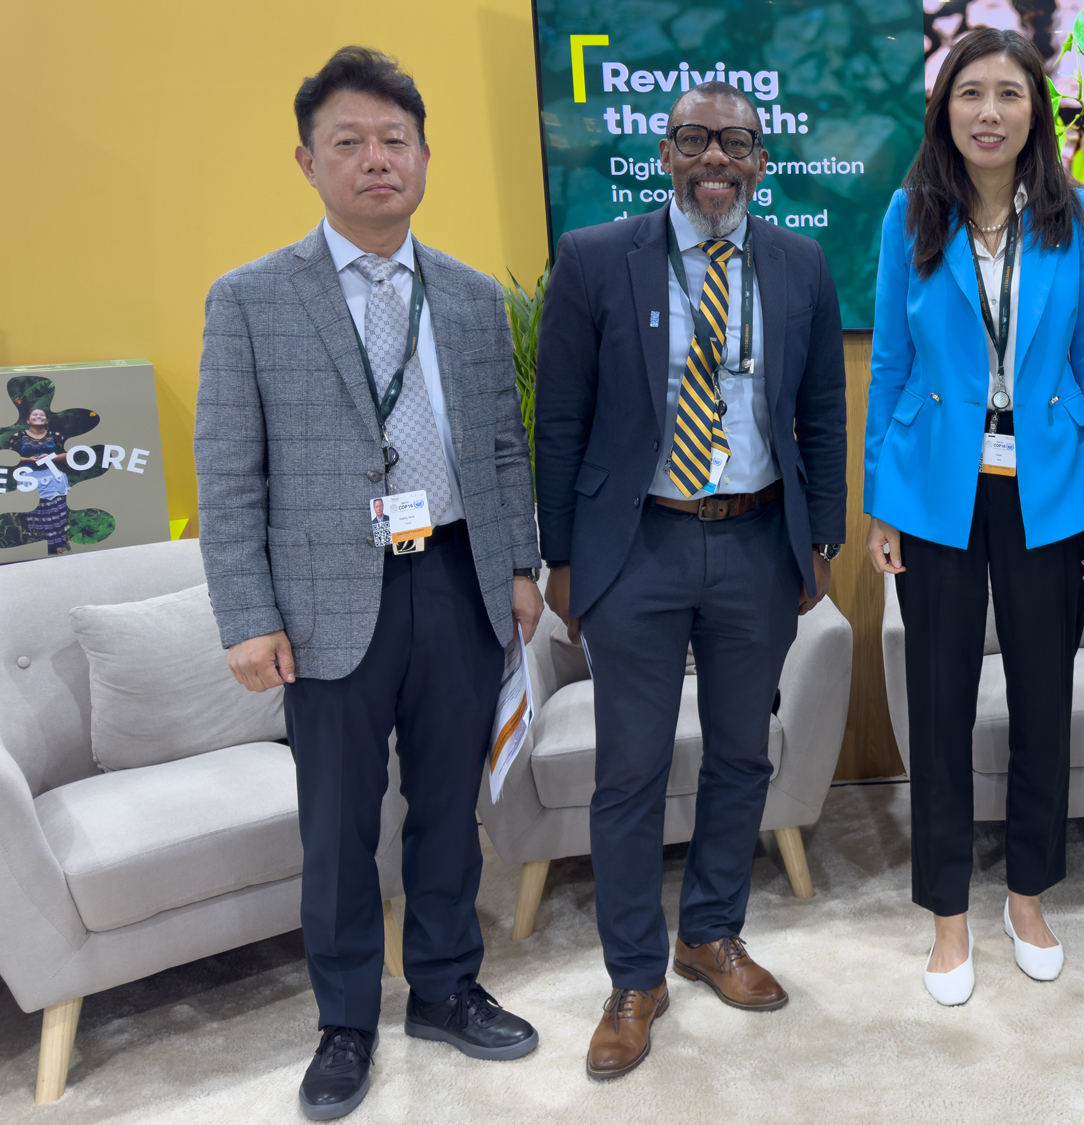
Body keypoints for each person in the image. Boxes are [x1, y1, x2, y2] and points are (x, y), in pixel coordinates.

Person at [194, 47, 545, 1121]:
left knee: (448, 804)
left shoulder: (475, 297)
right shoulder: (251, 299)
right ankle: (344, 1021)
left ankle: (443, 986)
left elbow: (497, 447)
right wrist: (246, 618)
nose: (375, 159)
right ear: (308, 161)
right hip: (323, 603)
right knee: (337, 823)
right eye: (348, 142)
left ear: (425, 157)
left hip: (454, 579)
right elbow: (226, 469)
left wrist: (520, 564)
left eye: (394, 140)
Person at [535, 80, 847, 1077]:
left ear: (761, 160)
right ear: (664, 152)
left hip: (757, 542)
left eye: (736, 143)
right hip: (636, 549)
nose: (716, 159)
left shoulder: (797, 263)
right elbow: (560, 417)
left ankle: (708, 932)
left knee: (741, 757)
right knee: (628, 768)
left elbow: (823, 409)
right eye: (695, 140)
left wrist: (820, 541)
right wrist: (561, 556)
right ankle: (634, 975)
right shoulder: (594, 259)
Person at [865, 27, 1084, 1006]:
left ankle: (1025, 896)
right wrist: (880, 502)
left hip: (1050, 487)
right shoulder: (908, 216)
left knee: (1041, 704)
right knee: (937, 707)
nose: (987, 111)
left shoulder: (1075, 214)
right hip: (935, 486)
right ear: (945, 111)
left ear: (1033, 113)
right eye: (968, 92)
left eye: (1007, 93)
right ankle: (945, 915)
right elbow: (890, 362)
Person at [6, 409, 73, 554]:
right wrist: (28, 460)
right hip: (29, 478)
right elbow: (9, 457)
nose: (38, 416)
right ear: (28, 421)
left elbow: (69, 455)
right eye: (34, 415)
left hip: (53, 478)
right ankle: (39, 546)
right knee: (35, 513)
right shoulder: (17, 436)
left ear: (47, 421)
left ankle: (58, 545)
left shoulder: (56, 436)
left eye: (42, 415)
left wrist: (50, 457)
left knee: (56, 512)